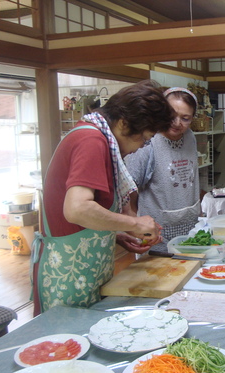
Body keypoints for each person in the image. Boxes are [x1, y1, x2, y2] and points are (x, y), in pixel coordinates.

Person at [31, 79, 175, 315]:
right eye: (144, 138)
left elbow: (81, 218)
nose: (141, 147)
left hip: (84, 270)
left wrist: (116, 233)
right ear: (123, 123)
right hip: (67, 272)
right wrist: (135, 223)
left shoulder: (99, 138)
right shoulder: (92, 141)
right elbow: (76, 209)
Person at [125, 87, 200, 253]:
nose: (177, 123)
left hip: (191, 229)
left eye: (185, 118)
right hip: (157, 233)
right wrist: (135, 225)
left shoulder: (190, 138)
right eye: (171, 115)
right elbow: (128, 190)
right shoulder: (148, 142)